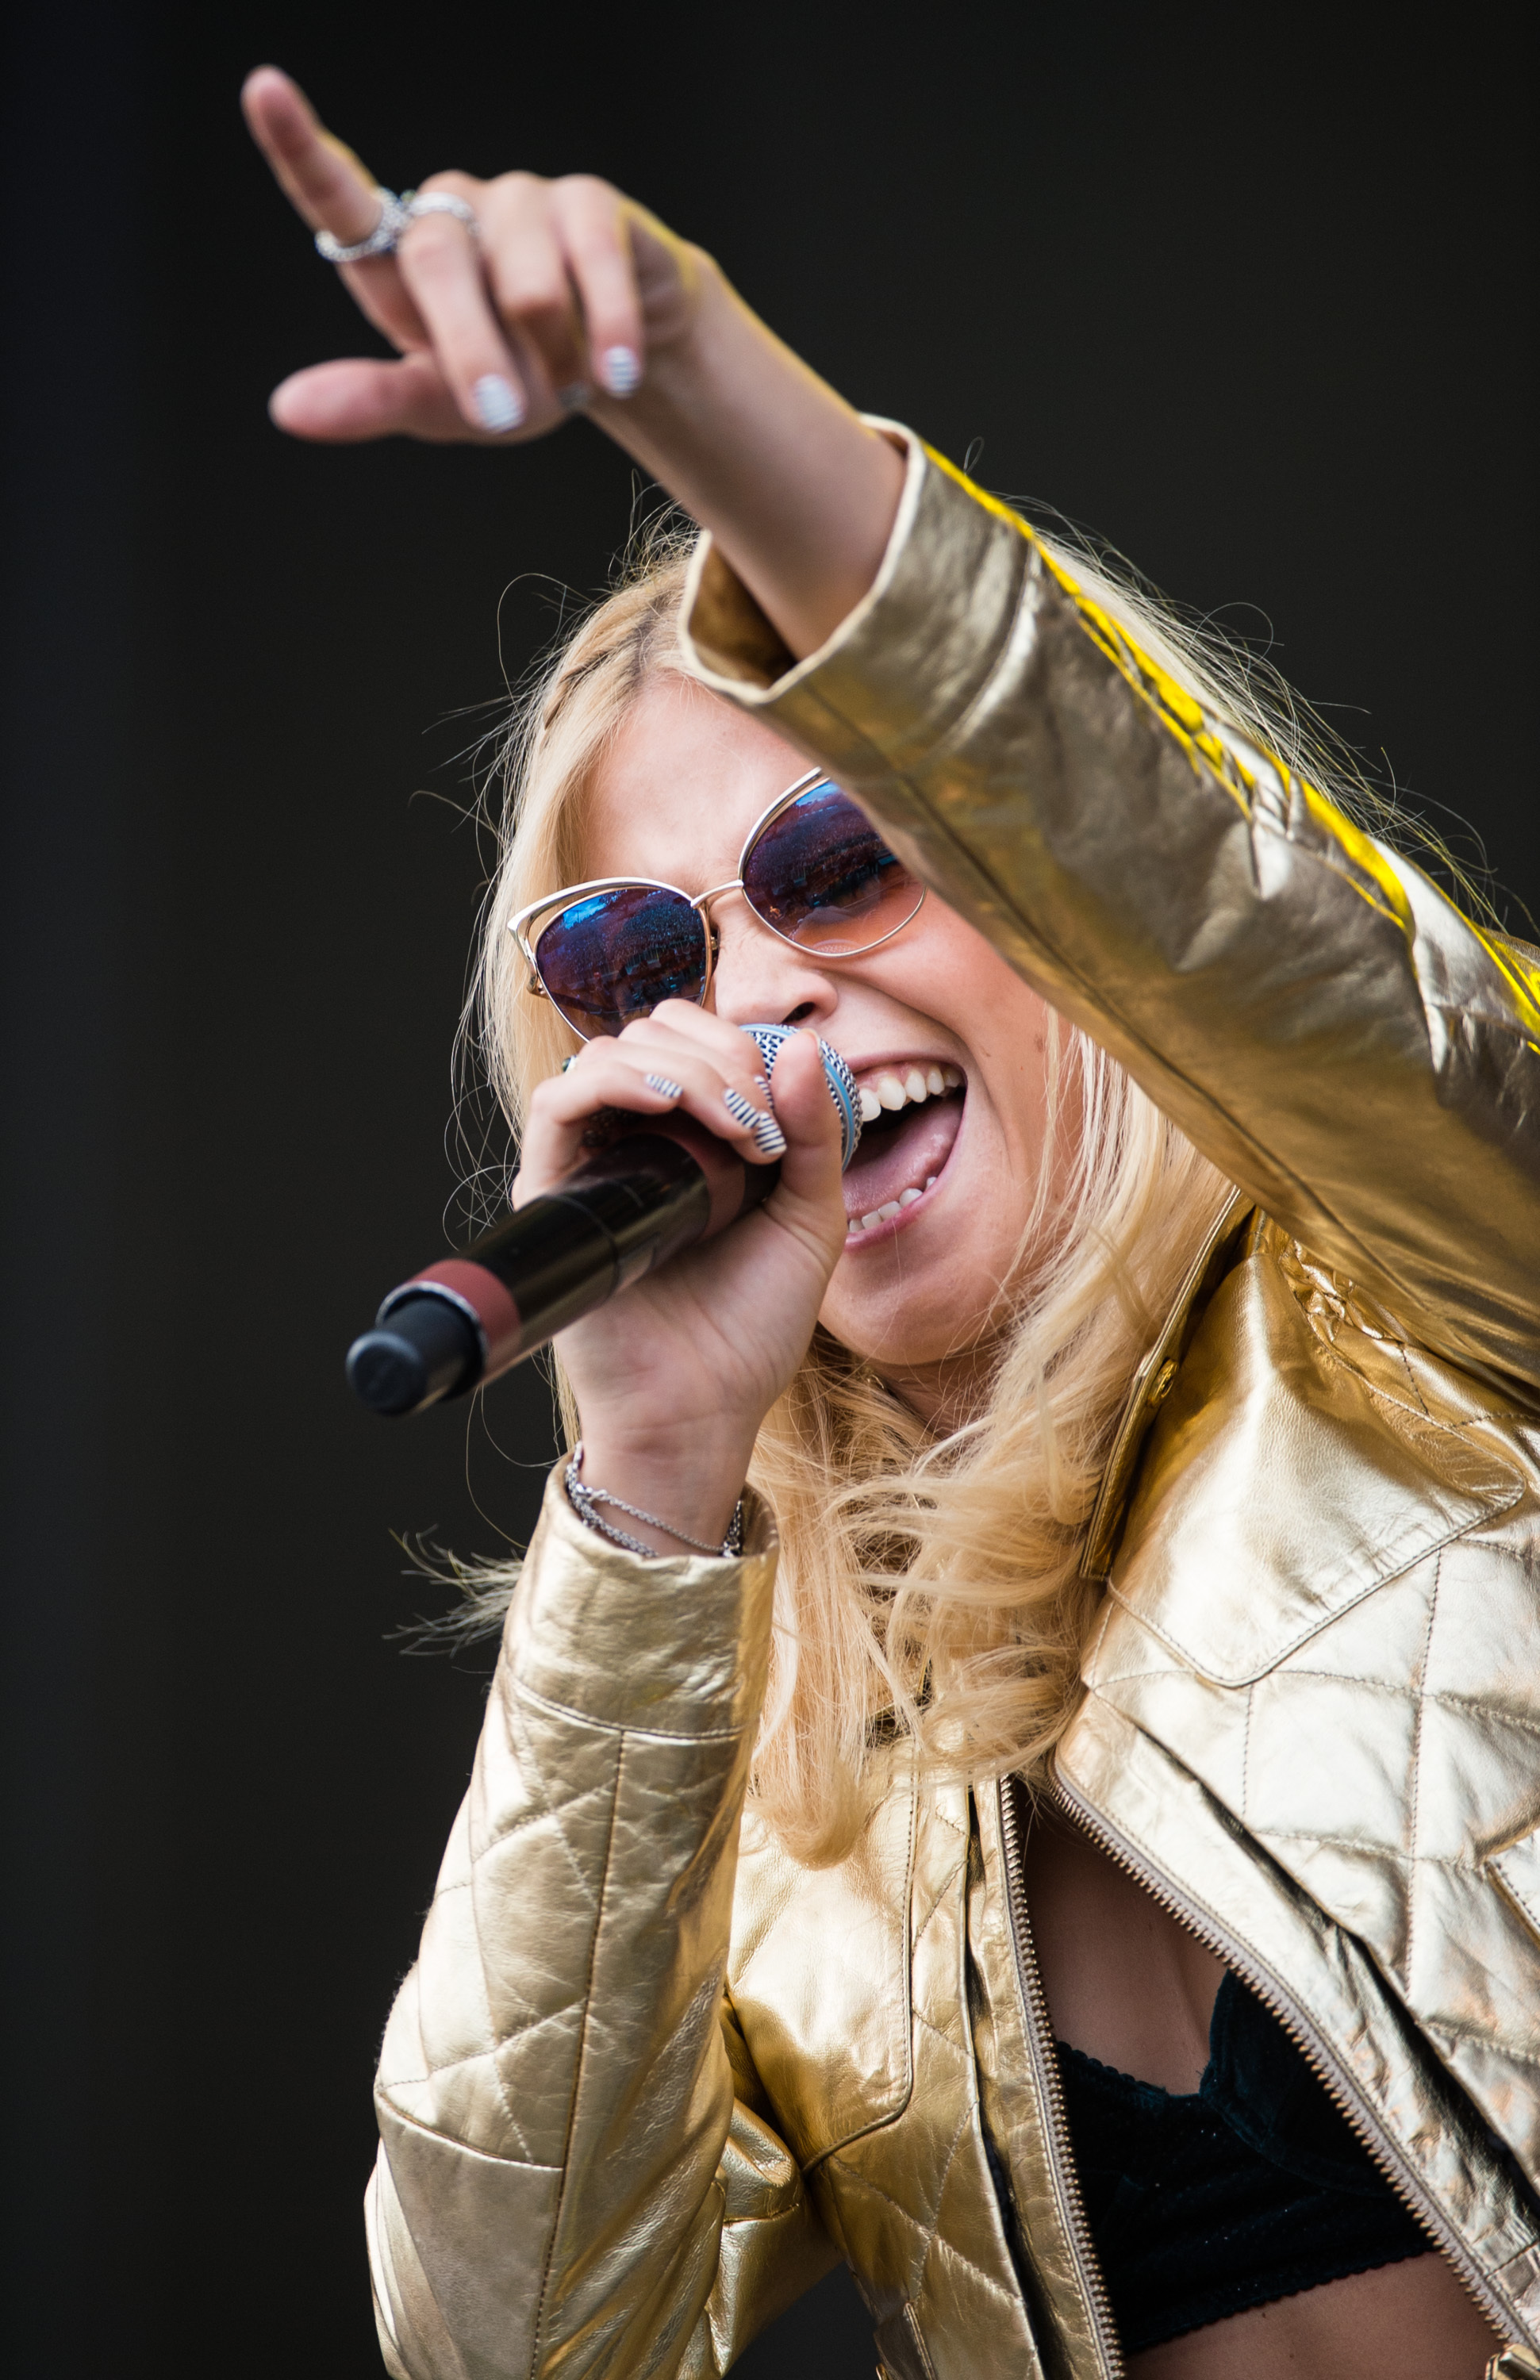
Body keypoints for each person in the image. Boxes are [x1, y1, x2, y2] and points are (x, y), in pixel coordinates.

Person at [244, 65, 1540, 2380]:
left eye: (839, 862)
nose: (757, 999)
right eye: (642, 958)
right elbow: (512, 2346)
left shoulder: (1442, 1279)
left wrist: (692, 378)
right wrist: (647, 1483)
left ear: (1075, 903)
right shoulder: (752, 1746)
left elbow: (1206, 872)